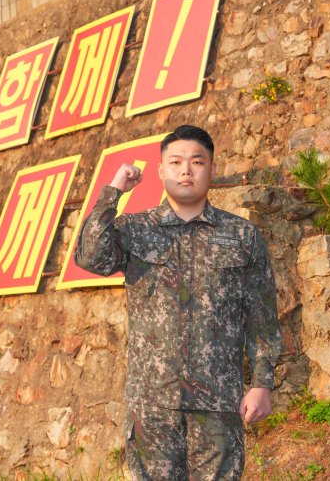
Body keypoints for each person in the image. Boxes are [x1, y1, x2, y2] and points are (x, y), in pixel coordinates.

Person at [74, 124, 282, 480]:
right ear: (160, 171)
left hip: (218, 403)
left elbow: (261, 315)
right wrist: (113, 192)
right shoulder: (135, 229)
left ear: (211, 169)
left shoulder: (242, 235)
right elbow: (91, 257)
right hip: (152, 403)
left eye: (197, 162)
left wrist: (262, 383)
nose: (186, 170)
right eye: (175, 162)